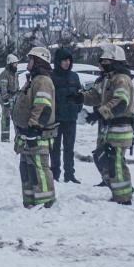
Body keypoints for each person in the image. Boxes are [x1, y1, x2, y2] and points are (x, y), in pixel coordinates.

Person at [82, 44, 134, 205]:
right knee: (102, 158)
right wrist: (79, 97)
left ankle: (124, 197)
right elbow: (95, 96)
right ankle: (119, 189)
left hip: (120, 127)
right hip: (108, 128)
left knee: (116, 163)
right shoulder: (107, 79)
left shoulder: (121, 79)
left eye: (106, 61)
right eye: (102, 61)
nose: (102, 64)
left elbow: (120, 102)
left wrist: (100, 112)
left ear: (115, 61)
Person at [10, 47, 58, 208]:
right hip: (27, 134)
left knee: (39, 169)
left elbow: (43, 107)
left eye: (30, 59)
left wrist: (33, 128)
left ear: (38, 61)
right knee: (27, 169)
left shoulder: (42, 81)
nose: (27, 62)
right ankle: (30, 202)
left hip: (37, 134)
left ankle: (45, 203)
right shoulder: (33, 80)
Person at [50, 47, 83, 183]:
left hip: (70, 118)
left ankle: (69, 174)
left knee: (69, 148)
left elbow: (81, 94)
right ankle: (55, 174)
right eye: (64, 60)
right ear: (58, 61)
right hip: (56, 119)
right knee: (55, 149)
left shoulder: (74, 76)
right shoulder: (51, 76)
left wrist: (77, 106)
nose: (67, 62)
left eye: (69, 60)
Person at [0, 54, 19, 143]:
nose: (16, 65)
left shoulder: (15, 73)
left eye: (16, 64)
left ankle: (18, 136)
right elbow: (3, 88)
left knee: (17, 118)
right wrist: (5, 100)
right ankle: (5, 137)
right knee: (6, 118)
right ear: (10, 64)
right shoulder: (4, 74)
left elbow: (17, 85)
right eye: (15, 64)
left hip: (14, 98)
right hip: (7, 98)